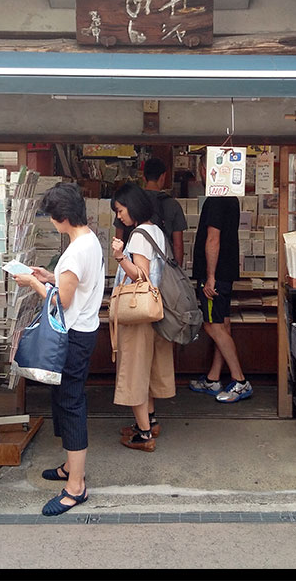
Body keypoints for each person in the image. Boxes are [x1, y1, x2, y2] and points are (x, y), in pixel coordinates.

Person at [11, 182, 105, 516]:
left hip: (73, 335)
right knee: (66, 399)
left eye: (52, 216)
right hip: (86, 329)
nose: (50, 222)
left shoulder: (76, 251)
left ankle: (76, 487)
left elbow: (62, 302)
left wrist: (34, 283)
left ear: (63, 216)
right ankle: (70, 467)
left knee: (71, 403)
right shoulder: (89, 240)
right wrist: (51, 276)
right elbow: (75, 286)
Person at [110, 182, 176, 452]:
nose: (119, 216)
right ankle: (149, 421)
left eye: (121, 209)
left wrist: (118, 256)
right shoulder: (156, 231)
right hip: (155, 311)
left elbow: (140, 274)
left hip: (138, 313)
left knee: (135, 371)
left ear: (133, 206)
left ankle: (144, 435)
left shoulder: (138, 235)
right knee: (148, 370)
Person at [189, 193, 252, 403]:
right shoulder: (232, 199)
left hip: (215, 275)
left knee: (212, 325)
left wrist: (210, 276)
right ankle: (213, 378)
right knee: (222, 323)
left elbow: (213, 238)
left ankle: (240, 380)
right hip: (225, 271)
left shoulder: (216, 200)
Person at [114, 157, 188, 267]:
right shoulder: (173, 205)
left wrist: (121, 260)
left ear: (144, 177)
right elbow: (178, 244)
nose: (119, 215)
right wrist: (177, 271)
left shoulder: (130, 202)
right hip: (164, 267)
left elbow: (119, 237)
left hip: (132, 264)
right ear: (163, 176)